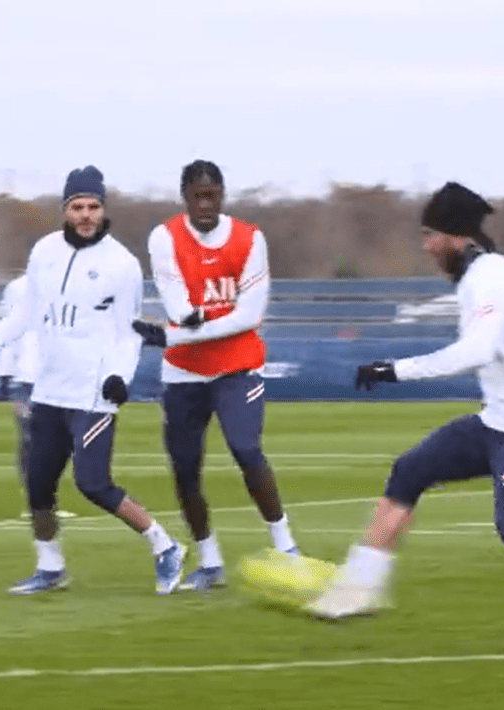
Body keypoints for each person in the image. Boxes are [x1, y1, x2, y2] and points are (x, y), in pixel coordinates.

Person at [306, 181, 504, 657]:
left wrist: (392, 370)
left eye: (429, 235)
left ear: (455, 237)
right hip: (498, 421)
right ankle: (356, 592)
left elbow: (477, 351)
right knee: (409, 470)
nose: (425, 247)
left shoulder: (490, 277)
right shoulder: (480, 276)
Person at [0, 165, 186, 596]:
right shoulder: (44, 251)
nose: (85, 214)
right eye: (77, 207)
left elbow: (130, 332)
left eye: (92, 206)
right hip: (49, 388)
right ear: (65, 210)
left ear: (103, 209)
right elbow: (26, 311)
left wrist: (117, 379)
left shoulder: (122, 264)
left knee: (93, 484)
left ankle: (164, 546)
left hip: (93, 393)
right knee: (37, 483)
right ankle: (50, 567)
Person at [134, 160, 297, 593]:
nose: (205, 204)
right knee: (185, 468)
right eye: (197, 196)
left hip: (237, 365)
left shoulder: (249, 238)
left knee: (246, 449)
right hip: (184, 372)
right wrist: (183, 322)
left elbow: (248, 316)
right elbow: (175, 301)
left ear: (222, 195)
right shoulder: (164, 237)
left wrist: (180, 333)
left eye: (212, 195)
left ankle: (286, 547)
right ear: (184, 197)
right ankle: (209, 561)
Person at [0, 273, 41, 515]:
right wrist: (4, 373)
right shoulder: (19, 288)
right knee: (31, 439)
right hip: (30, 376)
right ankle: (37, 502)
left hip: (61, 376)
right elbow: (8, 330)